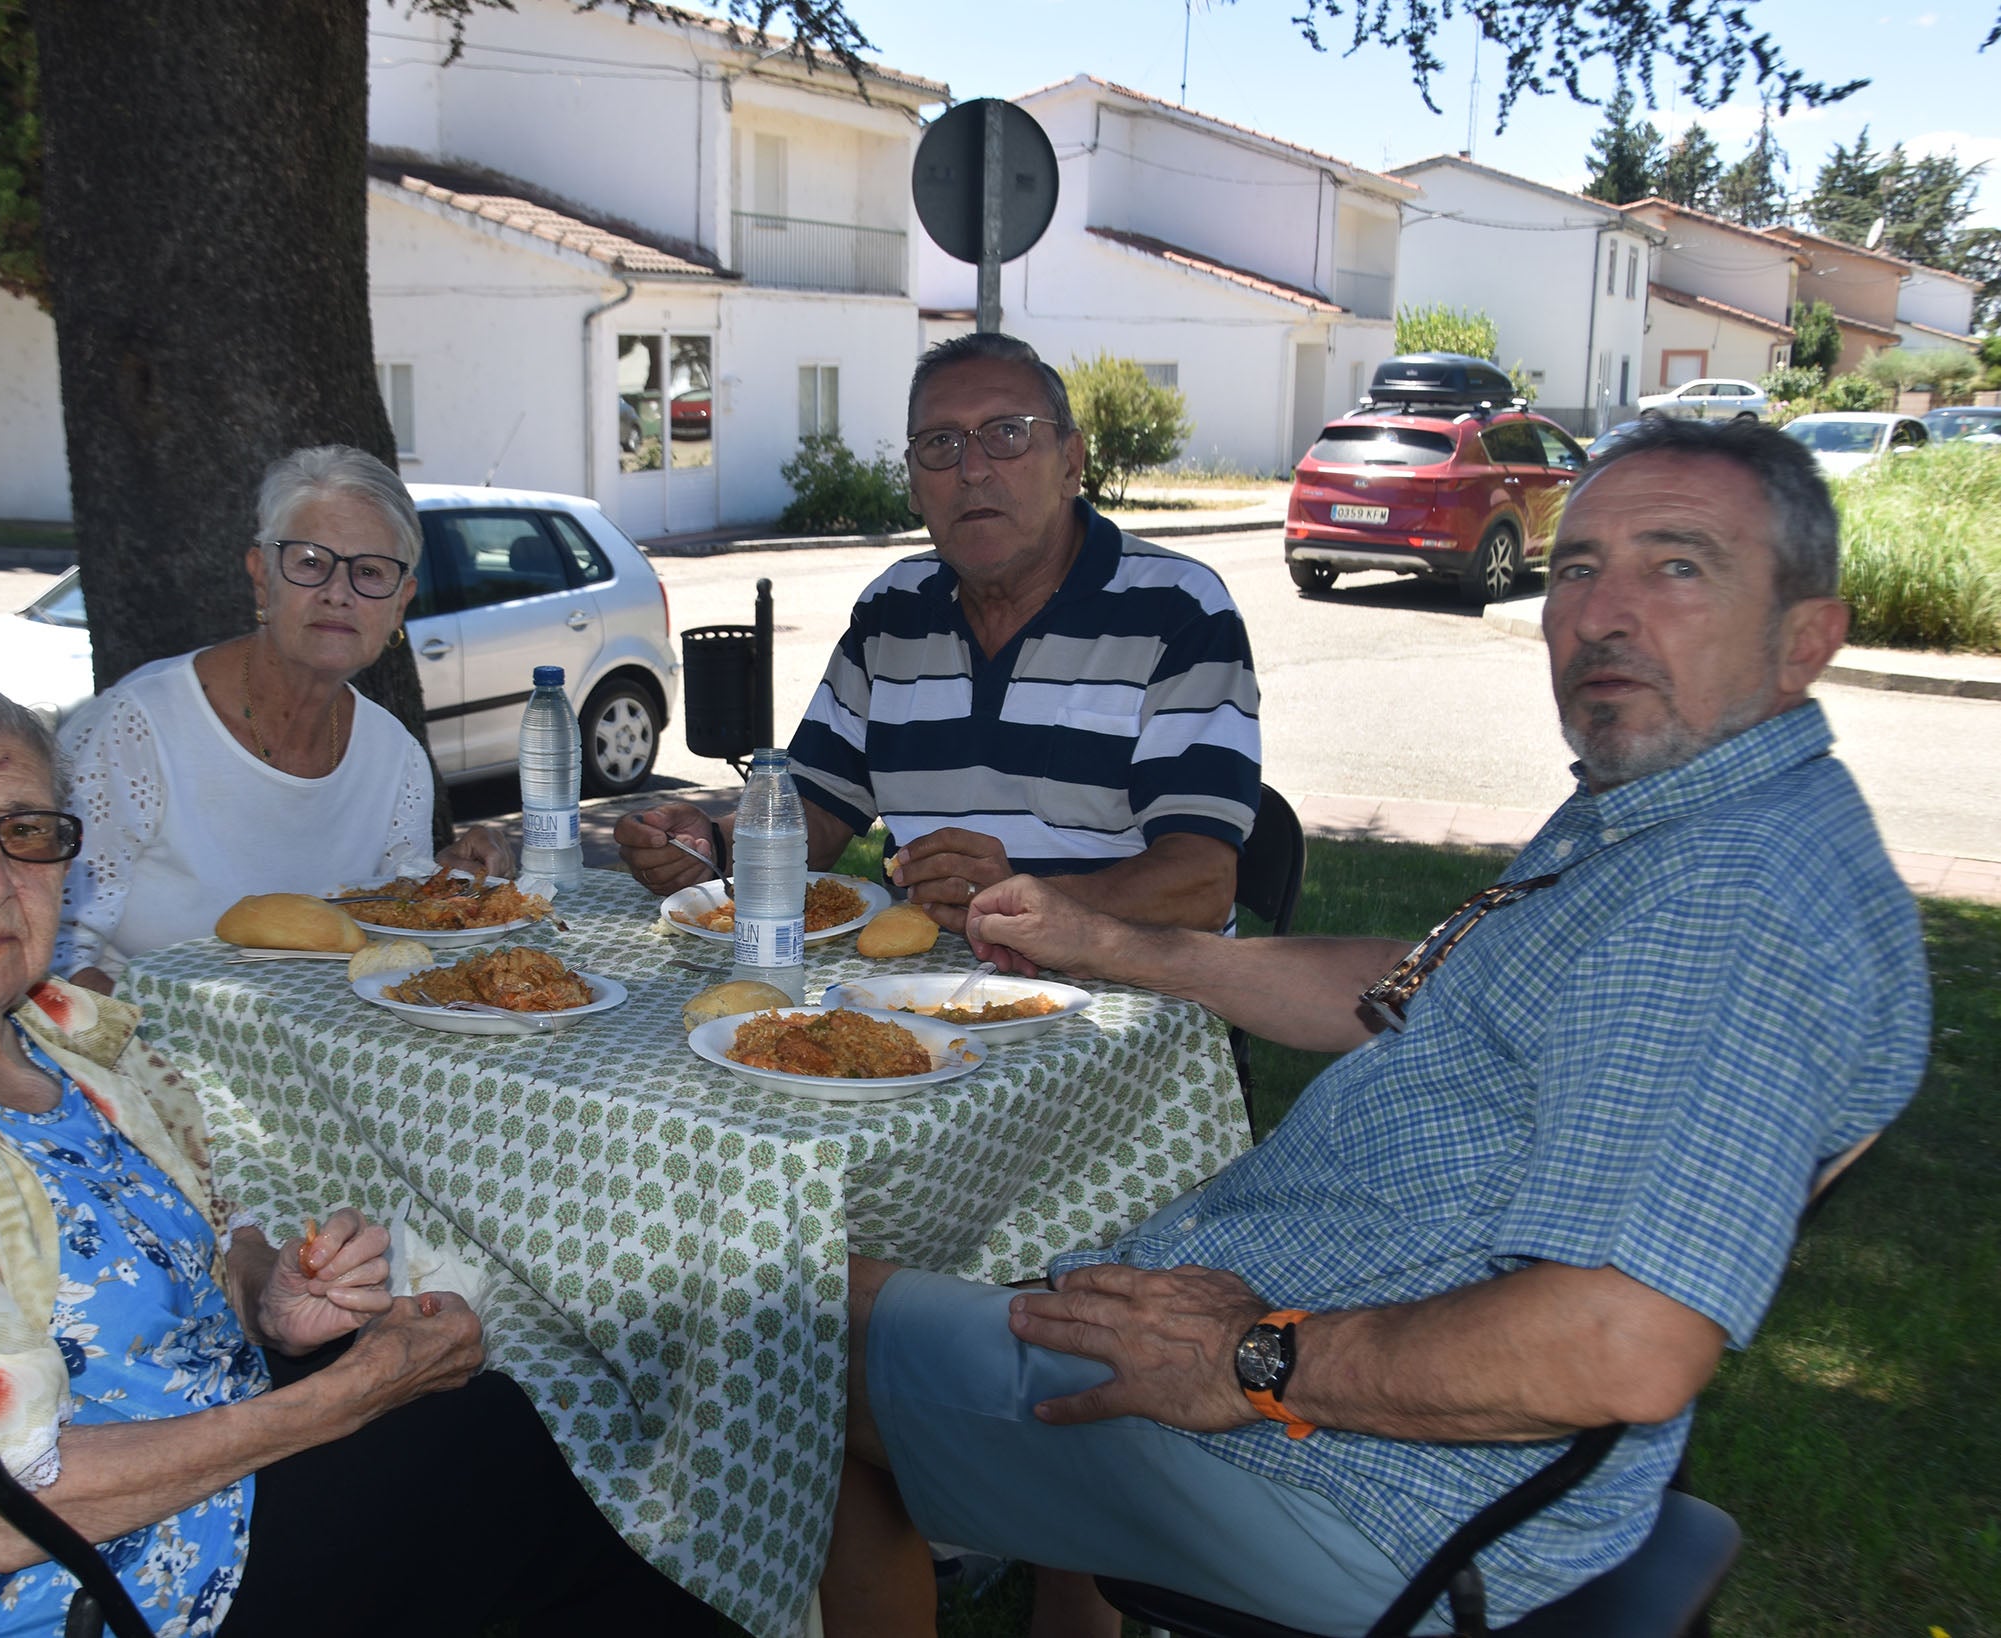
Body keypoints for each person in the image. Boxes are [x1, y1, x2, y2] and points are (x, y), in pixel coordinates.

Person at [819, 416, 1931, 1637]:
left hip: (1377, 1485)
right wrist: (1113, 945)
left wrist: (1250, 1361)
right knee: (916, 1285)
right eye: (1577, 567)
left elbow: (1620, 1344)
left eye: (1677, 567)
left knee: (779, 1325)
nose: (1602, 615)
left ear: (1804, 640)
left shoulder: (1726, 900)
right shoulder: (1674, 811)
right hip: (1366, 1393)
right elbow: (1416, 986)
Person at [0, 672, 712, 1638]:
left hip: (182, 1472)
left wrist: (266, 1296)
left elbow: (186, 1241)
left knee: (488, 1429)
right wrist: (348, 1395)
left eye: (26, 834)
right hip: (71, 1591)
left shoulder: (45, 1026)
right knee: (473, 1457)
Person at [616, 333, 1260, 944]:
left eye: (1008, 434)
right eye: (940, 443)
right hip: (923, 998)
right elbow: (817, 809)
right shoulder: (894, 612)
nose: (972, 469)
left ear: (1071, 463)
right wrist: (713, 845)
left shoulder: (1178, 609)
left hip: (1126, 1013)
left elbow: (1200, 881)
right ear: (914, 483)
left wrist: (1028, 901)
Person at [54, 445, 510, 992]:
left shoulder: (394, 756)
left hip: (315, 1062)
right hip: (148, 1055)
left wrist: (452, 875)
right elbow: (53, 946)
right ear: (261, 577)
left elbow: (389, 919)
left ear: (400, 602)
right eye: (311, 563)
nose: (338, 594)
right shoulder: (135, 729)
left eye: (369, 572)